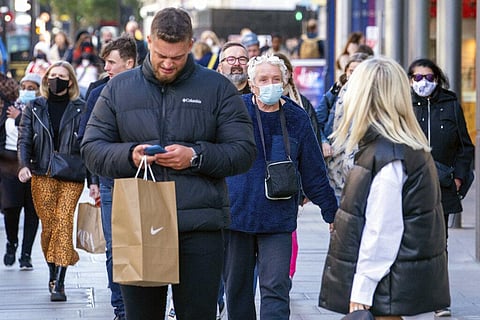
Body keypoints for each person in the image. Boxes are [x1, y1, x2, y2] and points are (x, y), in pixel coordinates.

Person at [80, 7, 256, 320]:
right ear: (148, 41)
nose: (167, 63)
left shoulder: (217, 88)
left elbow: (243, 151)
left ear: (191, 44)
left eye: (176, 56)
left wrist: (196, 156)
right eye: (161, 54)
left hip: (200, 226)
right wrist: (130, 154)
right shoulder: (119, 89)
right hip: (140, 224)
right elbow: (92, 149)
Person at [319, 57, 450, 318]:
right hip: (390, 281)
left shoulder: (388, 153)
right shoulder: (394, 147)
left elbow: (383, 229)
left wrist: (362, 289)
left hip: (384, 284)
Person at [224, 54, 337, 320]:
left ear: (286, 83)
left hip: (278, 219)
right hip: (237, 217)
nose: (270, 84)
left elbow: (314, 171)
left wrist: (332, 212)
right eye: (263, 79)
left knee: (276, 287)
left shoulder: (296, 118)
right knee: (237, 290)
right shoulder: (235, 112)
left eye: (276, 79)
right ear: (252, 84)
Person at [407, 58, 474, 317]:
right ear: (410, 79)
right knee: (410, 239)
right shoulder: (403, 105)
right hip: (409, 185)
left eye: (429, 77)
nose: (424, 83)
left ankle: (438, 300)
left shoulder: (450, 103)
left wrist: (458, 178)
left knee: (438, 242)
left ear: (438, 79)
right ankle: (411, 293)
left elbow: (465, 147)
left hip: (442, 186)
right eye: (418, 77)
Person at [78, 36, 137, 320]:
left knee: (144, 243)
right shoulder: (97, 92)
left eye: (111, 62)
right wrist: (93, 181)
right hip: (110, 180)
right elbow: (88, 141)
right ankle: (121, 307)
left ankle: (143, 302)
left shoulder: (149, 90)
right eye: (105, 62)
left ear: (130, 62)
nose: (107, 67)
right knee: (115, 246)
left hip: (146, 178)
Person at [17, 61, 86, 302]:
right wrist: (24, 166)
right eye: (53, 75)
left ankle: (61, 282)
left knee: (64, 220)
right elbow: (24, 140)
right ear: (46, 79)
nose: (56, 79)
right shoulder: (34, 107)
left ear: (70, 81)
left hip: (71, 173)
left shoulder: (81, 108)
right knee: (49, 227)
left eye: (62, 76)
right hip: (41, 172)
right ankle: (52, 271)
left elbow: (88, 144)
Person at [317, 52, 371, 202]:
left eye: (358, 71)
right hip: (335, 160)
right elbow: (316, 119)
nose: (354, 75)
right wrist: (323, 141)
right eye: (351, 71)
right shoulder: (336, 91)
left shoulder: (373, 96)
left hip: (360, 158)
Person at [1, 73, 40, 270]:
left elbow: (36, 133)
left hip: (33, 162)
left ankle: (26, 254)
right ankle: (11, 242)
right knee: (10, 208)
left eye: (32, 87)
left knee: (32, 210)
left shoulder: (41, 108)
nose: (27, 90)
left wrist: (19, 119)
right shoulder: (9, 106)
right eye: (24, 86)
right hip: (9, 163)